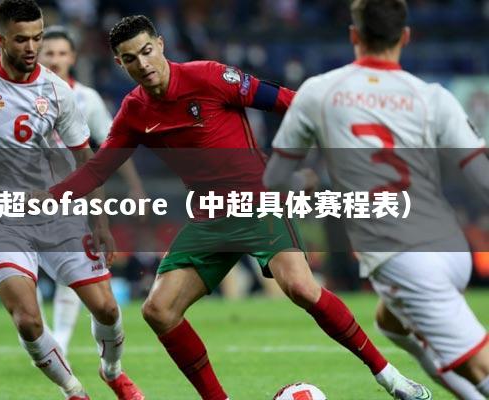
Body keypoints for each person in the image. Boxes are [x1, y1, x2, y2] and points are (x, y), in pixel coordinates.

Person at [44, 14, 432, 400]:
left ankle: (391, 379)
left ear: (160, 44)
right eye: (131, 59)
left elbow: (286, 101)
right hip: (209, 217)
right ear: (120, 63)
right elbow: (97, 169)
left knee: (301, 288)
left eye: (147, 51)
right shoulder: (134, 112)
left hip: (257, 203)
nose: (143, 64)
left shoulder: (210, 77)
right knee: (158, 310)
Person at [0, 1, 144, 399]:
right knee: (28, 320)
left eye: (38, 37)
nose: (32, 47)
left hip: (56, 213)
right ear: (0, 39)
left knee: (107, 308)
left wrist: (100, 222)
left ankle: (113, 371)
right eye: (21, 39)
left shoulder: (56, 90)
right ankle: (74, 391)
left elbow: (85, 159)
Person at [264, 0, 489, 399]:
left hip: (404, 257)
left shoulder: (319, 92)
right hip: (452, 247)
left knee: (479, 365)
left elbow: (276, 180)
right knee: (391, 324)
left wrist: (305, 190)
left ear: (354, 35)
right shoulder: (433, 97)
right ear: (406, 37)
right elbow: (482, 180)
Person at [37, 25, 146, 357]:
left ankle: (60, 341)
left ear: (72, 57)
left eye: (61, 53)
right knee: (26, 272)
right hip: (27, 194)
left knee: (72, 271)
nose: (55, 60)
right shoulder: (21, 96)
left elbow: (114, 145)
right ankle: (40, 335)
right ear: (37, 56)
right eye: (48, 53)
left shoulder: (87, 99)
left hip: (72, 196)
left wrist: (135, 186)